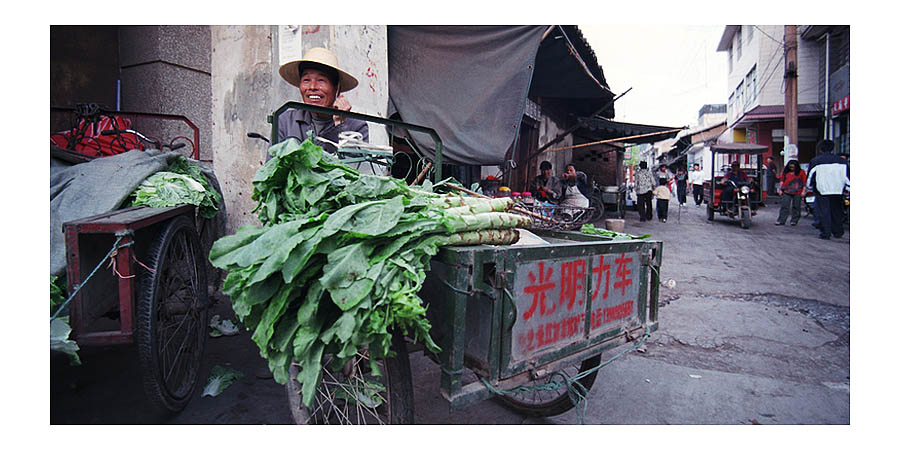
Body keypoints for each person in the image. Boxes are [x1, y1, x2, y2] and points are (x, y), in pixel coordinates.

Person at [276, 47, 369, 153]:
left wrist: (340, 126)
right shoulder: (286, 121)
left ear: (337, 89)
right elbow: (272, 166)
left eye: (321, 80)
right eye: (306, 80)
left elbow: (354, 166)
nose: (312, 87)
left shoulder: (357, 126)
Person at [806, 140, 850, 240]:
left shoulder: (816, 161)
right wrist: (847, 188)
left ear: (820, 149)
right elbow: (847, 177)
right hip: (838, 190)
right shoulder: (842, 161)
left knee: (824, 212)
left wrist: (809, 187)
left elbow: (810, 177)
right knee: (837, 211)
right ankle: (838, 231)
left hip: (822, 190)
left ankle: (826, 232)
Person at [774, 160, 806, 226]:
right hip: (786, 191)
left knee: (796, 206)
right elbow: (782, 181)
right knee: (785, 206)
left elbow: (804, 182)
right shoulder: (785, 172)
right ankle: (781, 220)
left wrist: (803, 191)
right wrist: (780, 189)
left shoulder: (801, 172)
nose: (792, 168)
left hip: (797, 191)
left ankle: (794, 220)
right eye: (790, 167)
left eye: (793, 167)